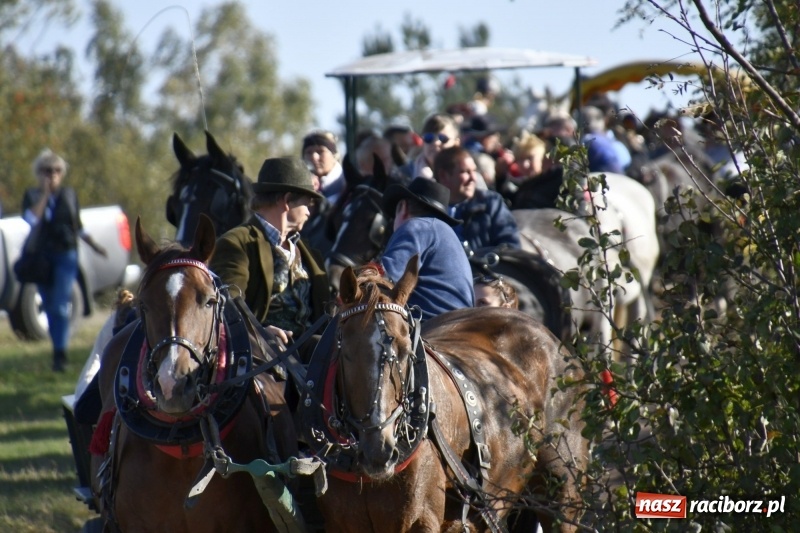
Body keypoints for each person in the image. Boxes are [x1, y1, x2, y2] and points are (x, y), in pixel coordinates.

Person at [209, 156, 331, 359]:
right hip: (262, 356)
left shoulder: (309, 252)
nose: (309, 213)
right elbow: (228, 305)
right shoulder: (236, 243)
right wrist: (259, 334)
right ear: (287, 200)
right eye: (307, 204)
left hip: (311, 352)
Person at [21, 149, 107, 372]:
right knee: (49, 305)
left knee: (60, 304)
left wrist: (95, 246)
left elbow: (78, 226)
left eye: (57, 170)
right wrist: (45, 195)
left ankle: (60, 354)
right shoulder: (32, 196)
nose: (52, 175)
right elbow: (31, 219)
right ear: (38, 173)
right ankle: (57, 349)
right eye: (47, 170)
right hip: (41, 259)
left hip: (66, 255)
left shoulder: (69, 195)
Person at [381, 178, 474, 321]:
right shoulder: (449, 237)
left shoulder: (416, 226)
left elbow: (383, 281)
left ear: (403, 207)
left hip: (430, 327)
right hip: (459, 326)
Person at [433, 146, 520, 253]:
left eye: (474, 171)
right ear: (443, 175)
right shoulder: (428, 210)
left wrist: (480, 257)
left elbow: (511, 246)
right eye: (465, 172)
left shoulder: (491, 204)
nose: (473, 178)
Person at [407, 113, 461, 181]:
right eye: (429, 138)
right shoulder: (405, 175)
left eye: (443, 138)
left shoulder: (466, 173)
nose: (435, 143)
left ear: (456, 143)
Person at [301, 130, 345, 204]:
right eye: (309, 152)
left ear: (334, 154)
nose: (314, 157)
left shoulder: (346, 184)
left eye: (320, 151)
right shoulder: (300, 188)